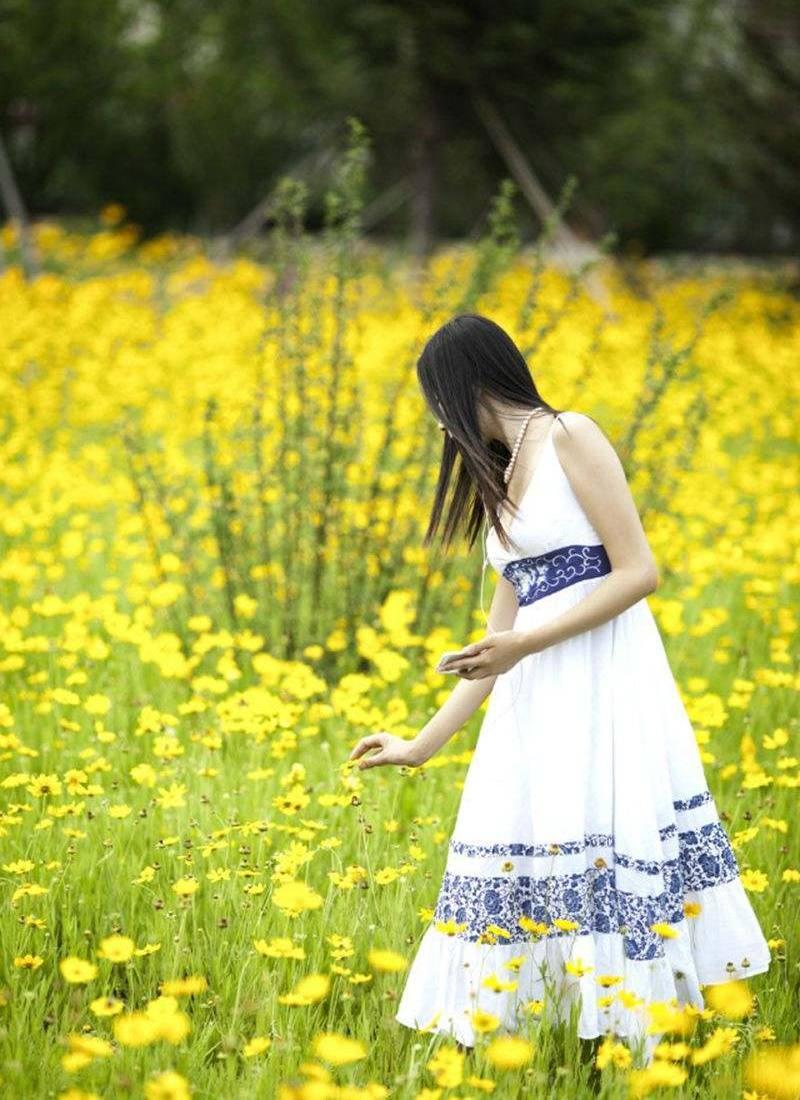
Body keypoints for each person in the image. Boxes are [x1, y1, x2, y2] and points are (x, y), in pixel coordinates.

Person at [346, 313, 771, 1066]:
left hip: (602, 674)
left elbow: (639, 570)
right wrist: (419, 746)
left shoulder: (570, 433)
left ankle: (630, 1034)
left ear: (466, 383)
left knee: (608, 832)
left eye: (437, 401)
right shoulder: (503, 472)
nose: (438, 420)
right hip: (538, 694)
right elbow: (493, 644)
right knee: (536, 841)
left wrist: (525, 644)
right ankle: (564, 1029)